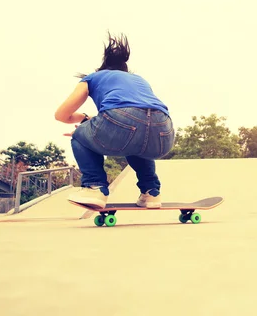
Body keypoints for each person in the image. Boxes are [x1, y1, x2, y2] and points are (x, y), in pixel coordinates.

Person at [54, 32, 174, 209]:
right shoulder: (139, 79)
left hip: (122, 120)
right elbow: (140, 116)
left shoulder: (93, 78)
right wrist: (90, 119)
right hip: (164, 131)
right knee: (137, 143)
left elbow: (61, 115)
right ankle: (151, 192)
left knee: (79, 135)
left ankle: (95, 188)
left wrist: (84, 120)